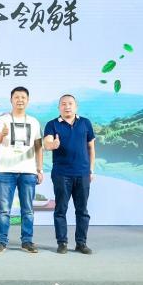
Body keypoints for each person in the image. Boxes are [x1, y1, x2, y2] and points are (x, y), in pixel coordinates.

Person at [0, 87, 44, 254]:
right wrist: (2, 134)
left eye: (23, 97)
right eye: (16, 97)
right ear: (11, 100)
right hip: (6, 170)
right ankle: (1, 242)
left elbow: (39, 147)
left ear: (27, 100)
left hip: (28, 171)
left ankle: (27, 241)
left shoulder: (34, 121)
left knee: (27, 209)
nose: (20, 100)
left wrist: (39, 169)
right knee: (4, 209)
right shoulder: (3, 119)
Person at [43, 94, 96, 254]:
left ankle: (81, 243)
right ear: (59, 107)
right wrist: (53, 144)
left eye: (70, 103)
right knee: (61, 210)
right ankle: (62, 243)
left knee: (82, 211)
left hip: (83, 174)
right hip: (61, 174)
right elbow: (47, 144)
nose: (67, 106)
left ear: (76, 106)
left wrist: (91, 170)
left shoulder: (85, 123)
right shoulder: (52, 124)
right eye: (63, 104)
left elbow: (91, 148)